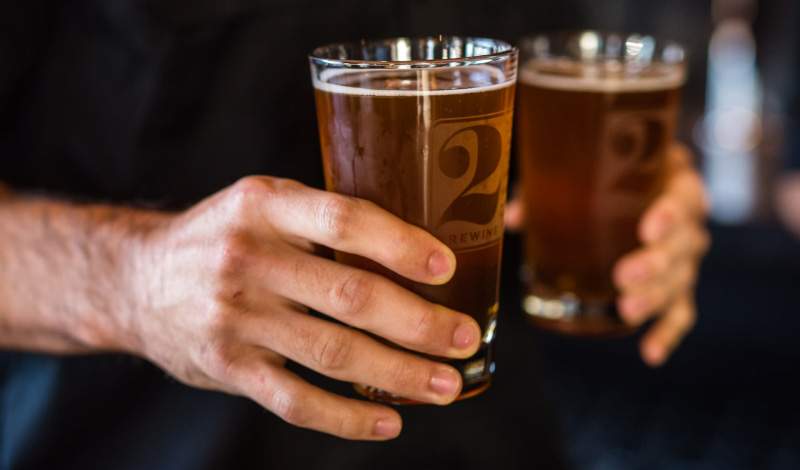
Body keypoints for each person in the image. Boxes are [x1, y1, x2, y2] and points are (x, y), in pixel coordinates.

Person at [0, 1, 709, 468]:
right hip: (151, 445)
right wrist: (133, 277)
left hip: (491, 431)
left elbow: (545, 132)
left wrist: (631, 196)